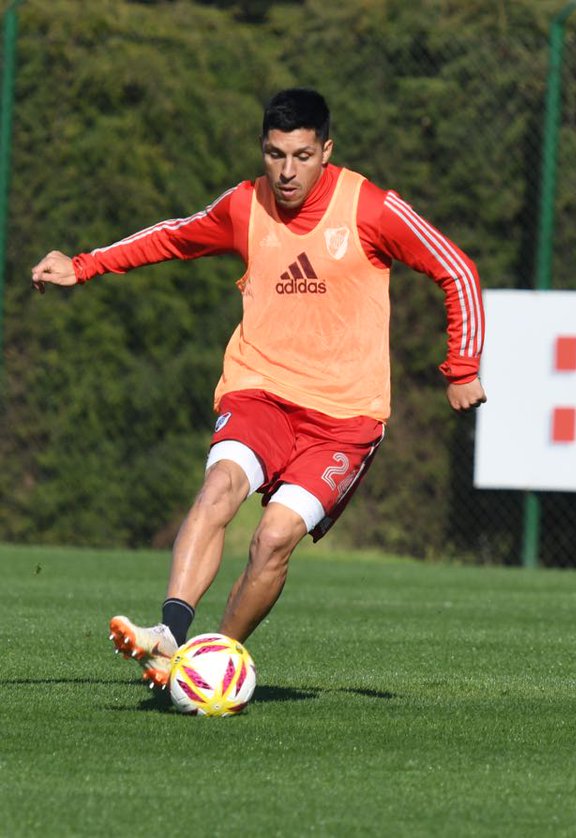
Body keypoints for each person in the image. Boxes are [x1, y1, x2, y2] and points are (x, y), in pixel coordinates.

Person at [31, 88, 486, 688]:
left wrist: (462, 366)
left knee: (272, 540)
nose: (287, 172)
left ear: (327, 150)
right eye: (275, 155)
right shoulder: (246, 205)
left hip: (345, 417)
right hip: (260, 389)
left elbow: (455, 268)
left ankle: (209, 662)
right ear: (263, 151)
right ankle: (168, 636)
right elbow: (174, 235)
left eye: (301, 156)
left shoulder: (370, 207)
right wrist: (84, 265)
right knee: (219, 486)